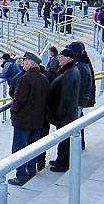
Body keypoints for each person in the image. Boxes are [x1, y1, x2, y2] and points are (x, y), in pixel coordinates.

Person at [8, 52, 50, 186]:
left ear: (32, 63)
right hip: (37, 120)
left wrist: (13, 111)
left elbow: (19, 100)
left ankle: (21, 176)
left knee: (20, 149)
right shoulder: (43, 78)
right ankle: (31, 172)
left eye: (25, 62)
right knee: (33, 147)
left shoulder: (25, 79)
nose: (22, 64)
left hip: (23, 121)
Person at [47, 48, 81, 172]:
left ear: (69, 59)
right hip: (66, 112)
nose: (58, 59)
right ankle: (60, 159)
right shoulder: (69, 71)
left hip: (65, 114)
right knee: (63, 139)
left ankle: (63, 163)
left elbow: (66, 97)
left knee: (65, 140)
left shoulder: (69, 74)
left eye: (61, 57)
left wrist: (59, 113)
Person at [66, 42, 95, 151]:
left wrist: (78, 102)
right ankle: (79, 144)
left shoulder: (80, 67)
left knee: (75, 126)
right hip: (78, 102)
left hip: (77, 102)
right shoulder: (82, 63)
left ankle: (77, 147)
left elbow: (80, 87)